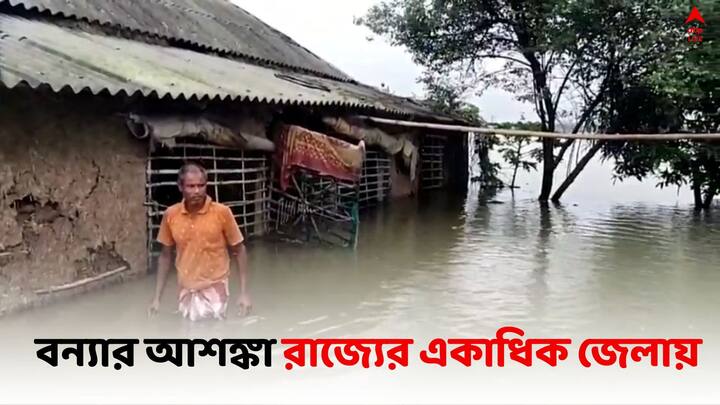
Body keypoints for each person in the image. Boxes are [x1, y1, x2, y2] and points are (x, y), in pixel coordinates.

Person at [147, 162, 252, 320]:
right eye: (191, 186)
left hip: (216, 288)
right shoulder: (171, 215)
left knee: (216, 334)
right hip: (186, 289)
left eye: (201, 185)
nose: (196, 191)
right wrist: (156, 299)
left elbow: (240, 250)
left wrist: (244, 293)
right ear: (180, 187)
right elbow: (165, 256)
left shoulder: (222, 213)